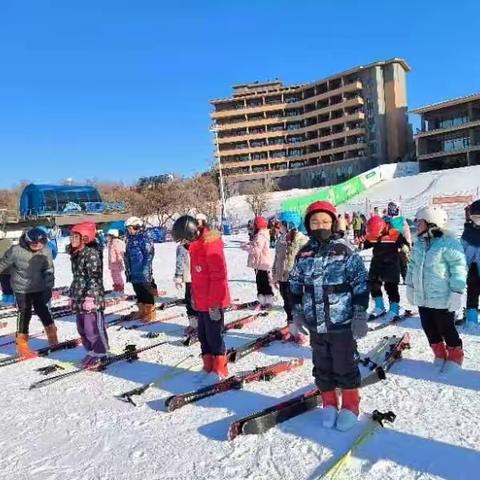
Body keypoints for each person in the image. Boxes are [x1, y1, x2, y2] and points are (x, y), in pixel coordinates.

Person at [289, 201, 369, 431]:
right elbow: (294, 285)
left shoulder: (345, 250)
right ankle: (329, 403)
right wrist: (296, 313)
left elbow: (360, 284)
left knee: (344, 364)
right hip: (316, 323)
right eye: (315, 222)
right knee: (322, 365)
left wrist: (360, 314)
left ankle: (351, 405)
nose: (320, 225)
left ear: (333, 223)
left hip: (341, 322)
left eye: (324, 221)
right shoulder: (304, 253)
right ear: (308, 225)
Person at [406, 206, 466, 370]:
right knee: (429, 327)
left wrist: (456, 292)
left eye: (420, 222)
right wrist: (410, 286)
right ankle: (439, 355)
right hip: (422, 297)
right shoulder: (419, 245)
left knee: (446, 328)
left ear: (433, 223)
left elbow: (459, 268)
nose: (417, 225)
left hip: (442, 298)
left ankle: (455, 357)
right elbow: (411, 267)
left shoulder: (448, 244)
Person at [172, 215, 231, 379]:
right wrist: (194, 299)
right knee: (203, 335)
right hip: (202, 301)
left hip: (213, 302)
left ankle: (220, 367)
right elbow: (197, 278)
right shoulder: (195, 247)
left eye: (184, 240)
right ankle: (208, 364)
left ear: (192, 233)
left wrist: (214, 304)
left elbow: (218, 278)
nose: (183, 244)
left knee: (214, 336)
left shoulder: (210, 246)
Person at [0, 227, 57, 358]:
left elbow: (49, 269)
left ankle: (52, 334)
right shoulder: (15, 251)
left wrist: (48, 287)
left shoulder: (46, 251)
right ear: (27, 240)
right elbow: (2, 265)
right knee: (24, 313)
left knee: (42, 310)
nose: (38, 246)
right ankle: (22, 344)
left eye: (41, 243)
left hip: (39, 287)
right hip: (21, 288)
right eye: (34, 243)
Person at [68, 222, 108, 368]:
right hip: (79, 297)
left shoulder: (91, 254)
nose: (72, 239)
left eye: (75, 236)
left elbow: (94, 277)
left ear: (85, 238)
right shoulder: (76, 254)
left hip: (92, 298)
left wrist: (91, 297)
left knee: (93, 329)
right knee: (82, 329)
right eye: (71, 236)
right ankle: (91, 351)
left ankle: (101, 353)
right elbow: (78, 278)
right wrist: (72, 296)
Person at [363, 216, 409, 320]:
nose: (377, 236)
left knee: (391, 286)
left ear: (382, 227)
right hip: (377, 263)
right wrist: (363, 242)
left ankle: (394, 308)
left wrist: (404, 247)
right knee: (373, 283)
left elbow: (404, 243)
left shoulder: (394, 234)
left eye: (378, 233)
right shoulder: (373, 235)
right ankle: (379, 306)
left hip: (391, 264)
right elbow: (367, 243)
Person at [272, 211, 308, 343]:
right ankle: (292, 331)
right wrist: (275, 275)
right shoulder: (281, 240)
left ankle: (300, 332)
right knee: (287, 305)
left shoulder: (302, 240)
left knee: (296, 306)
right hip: (283, 278)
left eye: (281, 223)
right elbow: (277, 260)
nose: (279, 226)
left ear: (289, 224)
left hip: (296, 280)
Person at [124, 216, 156, 322]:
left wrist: (146, 269)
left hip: (143, 270)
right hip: (133, 270)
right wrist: (128, 270)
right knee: (138, 290)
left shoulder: (144, 238)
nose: (130, 231)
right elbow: (127, 256)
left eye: (131, 228)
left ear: (137, 227)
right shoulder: (130, 240)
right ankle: (142, 310)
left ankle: (150, 311)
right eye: (128, 229)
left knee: (146, 291)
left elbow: (149, 254)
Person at [246, 216, 274, 307]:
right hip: (261, 263)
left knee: (263, 282)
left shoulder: (260, 235)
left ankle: (267, 301)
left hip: (261, 263)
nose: (253, 226)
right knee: (262, 282)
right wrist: (250, 244)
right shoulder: (262, 234)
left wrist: (247, 248)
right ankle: (263, 300)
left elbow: (256, 249)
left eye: (254, 224)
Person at [461, 199, 480, 325]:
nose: (478, 221)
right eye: (475, 217)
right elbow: (460, 250)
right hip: (473, 267)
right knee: (472, 291)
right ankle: (471, 317)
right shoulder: (468, 231)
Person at [384, 201, 412, 283]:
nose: (392, 210)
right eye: (390, 208)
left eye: (394, 208)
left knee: (402, 262)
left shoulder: (401, 220)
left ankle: (405, 277)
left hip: (400, 244)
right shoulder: (385, 219)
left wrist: (408, 243)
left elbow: (406, 232)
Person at [174, 238, 197, 334]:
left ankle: (202, 324)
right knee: (189, 300)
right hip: (189, 278)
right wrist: (178, 276)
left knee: (199, 302)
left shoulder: (200, 245)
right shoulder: (181, 248)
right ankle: (193, 324)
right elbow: (179, 263)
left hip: (200, 277)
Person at [106, 229, 126, 297]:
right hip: (112, 263)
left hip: (117, 262)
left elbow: (120, 252)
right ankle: (116, 288)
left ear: (113, 236)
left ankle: (120, 289)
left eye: (109, 236)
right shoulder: (111, 243)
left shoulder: (117, 242)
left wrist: (120, 259)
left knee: (117, 276)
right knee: (113, 276)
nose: (107, 237)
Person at [0, 232, 15, 305]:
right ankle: (9, 298)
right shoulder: (8, 241)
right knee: (7, 285)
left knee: (6, 285)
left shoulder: (8, 242)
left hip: (6, 270)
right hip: (8, 269)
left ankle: (8, 298)